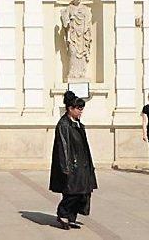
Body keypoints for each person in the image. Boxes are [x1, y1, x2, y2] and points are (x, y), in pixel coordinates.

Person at [50, 91, 98, 231]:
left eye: (82, 109)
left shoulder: (77, 124)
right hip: (72, 164)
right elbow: (63, 146)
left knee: (83, 192)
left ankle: (71, 218)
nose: (80, 112)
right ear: (70, 108)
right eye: (78, 109)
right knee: (72, 192)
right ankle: (63, 214)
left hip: (82, 164)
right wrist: (66, 167)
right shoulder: (64, 125)